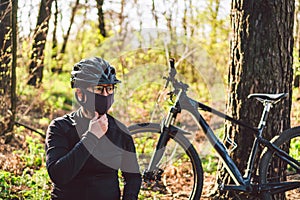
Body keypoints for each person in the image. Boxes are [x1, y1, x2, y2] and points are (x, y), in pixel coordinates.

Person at [45, 57, 142, 200]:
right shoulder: (60, 127)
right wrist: (91, 136)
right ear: (80, 94)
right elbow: (59, 175)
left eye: (110, 89)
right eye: (98, 89)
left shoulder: (120, 131)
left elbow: (133, 177)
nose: (106, 95)